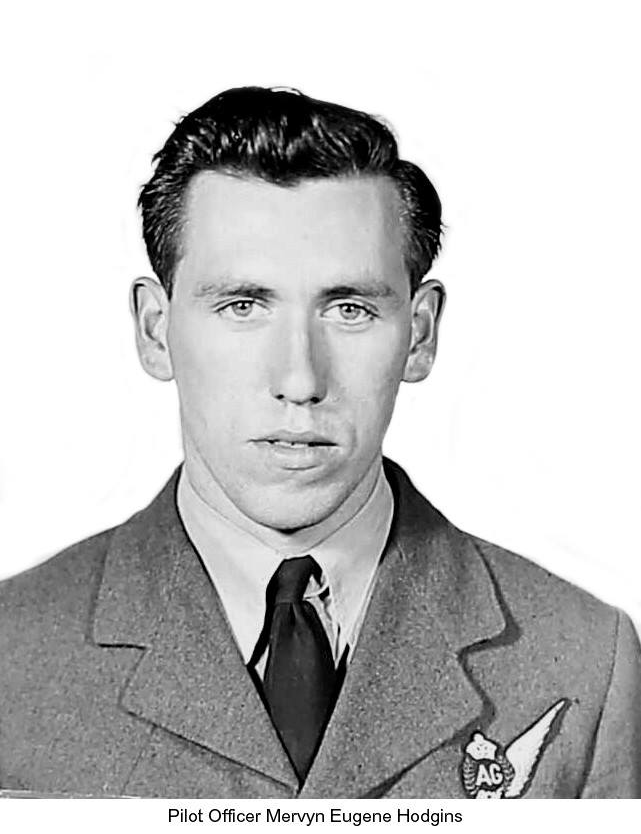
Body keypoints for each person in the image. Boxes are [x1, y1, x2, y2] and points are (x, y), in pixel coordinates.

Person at [1, 87, 639, 800]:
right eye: (243, 305)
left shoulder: (586, 662)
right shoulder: (9, 655)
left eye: (350, 309)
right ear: (155, 331)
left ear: (420, 335)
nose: (300, 380)